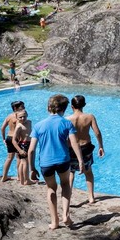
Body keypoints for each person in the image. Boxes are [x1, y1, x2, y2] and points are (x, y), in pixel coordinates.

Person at [28, 94, 85, 230]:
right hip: (63, 160)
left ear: (48, 108)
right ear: (65, 109)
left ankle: (55, 222)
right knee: (65, 184)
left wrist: (32, 168)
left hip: (46, 163)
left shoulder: (38, 125)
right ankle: (66, 215)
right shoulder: (66, 123)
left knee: (51, 188)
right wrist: (80, 161)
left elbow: (31, 150)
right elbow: (74, 143)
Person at [67, 94, 105, 204]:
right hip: (86, 147)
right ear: (84, 105)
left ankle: (68, 197)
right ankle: (91, 197)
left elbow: (64, 137)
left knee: (71, 173)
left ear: (71, 106)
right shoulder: (90, 117)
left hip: (71, 149)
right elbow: (97, 133)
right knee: (88, 172)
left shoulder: (67, 119)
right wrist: (101, 146)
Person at [0, 101, 23, 181]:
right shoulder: (18, 117)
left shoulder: (9, 116)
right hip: (16, 139)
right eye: (22, 106)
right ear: (15, 108)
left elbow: (2, 128)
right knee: (18, 158)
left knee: (9, 158)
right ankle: (19, 177)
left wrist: (3, 139)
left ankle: (4, 176)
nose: (24, 108)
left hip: (9, 137)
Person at [13, 108, 33, 185]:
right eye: (20, 117)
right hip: (23, 144)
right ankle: (27, 180)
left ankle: (22, 180)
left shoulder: (29, 122)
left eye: (24, 116)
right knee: (25, 163)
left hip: (28, 143)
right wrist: (20, 150)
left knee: (22, 162)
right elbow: (14, 140)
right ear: (17, 118)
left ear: (27, 115)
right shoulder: (19, 126)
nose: (23, 118)